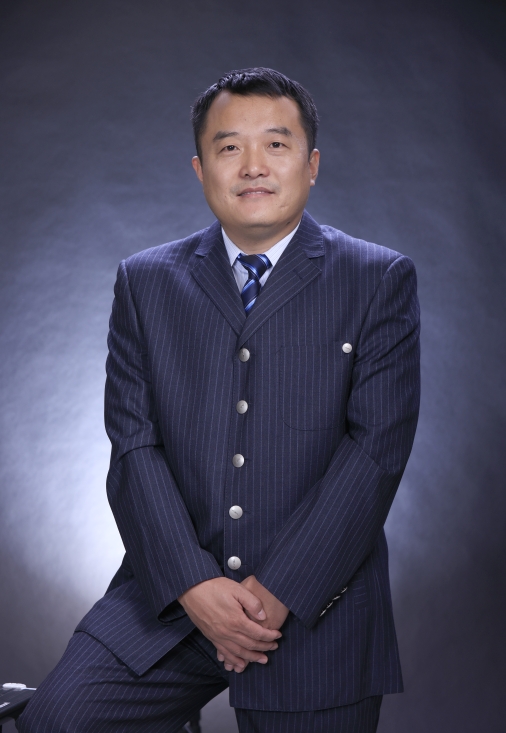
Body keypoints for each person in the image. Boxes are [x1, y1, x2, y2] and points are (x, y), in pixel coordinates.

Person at [18, 67, 420, 733]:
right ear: (200, 168)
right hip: (172, 596)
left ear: (312, 164)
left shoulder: (376, 278)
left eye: (277, 144)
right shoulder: (145, 282)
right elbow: (133, 445)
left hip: (317, 602)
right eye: (229, 147)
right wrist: (192, 584)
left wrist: (280, 591)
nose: (253, 166)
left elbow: (375, 452)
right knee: (59, 720)